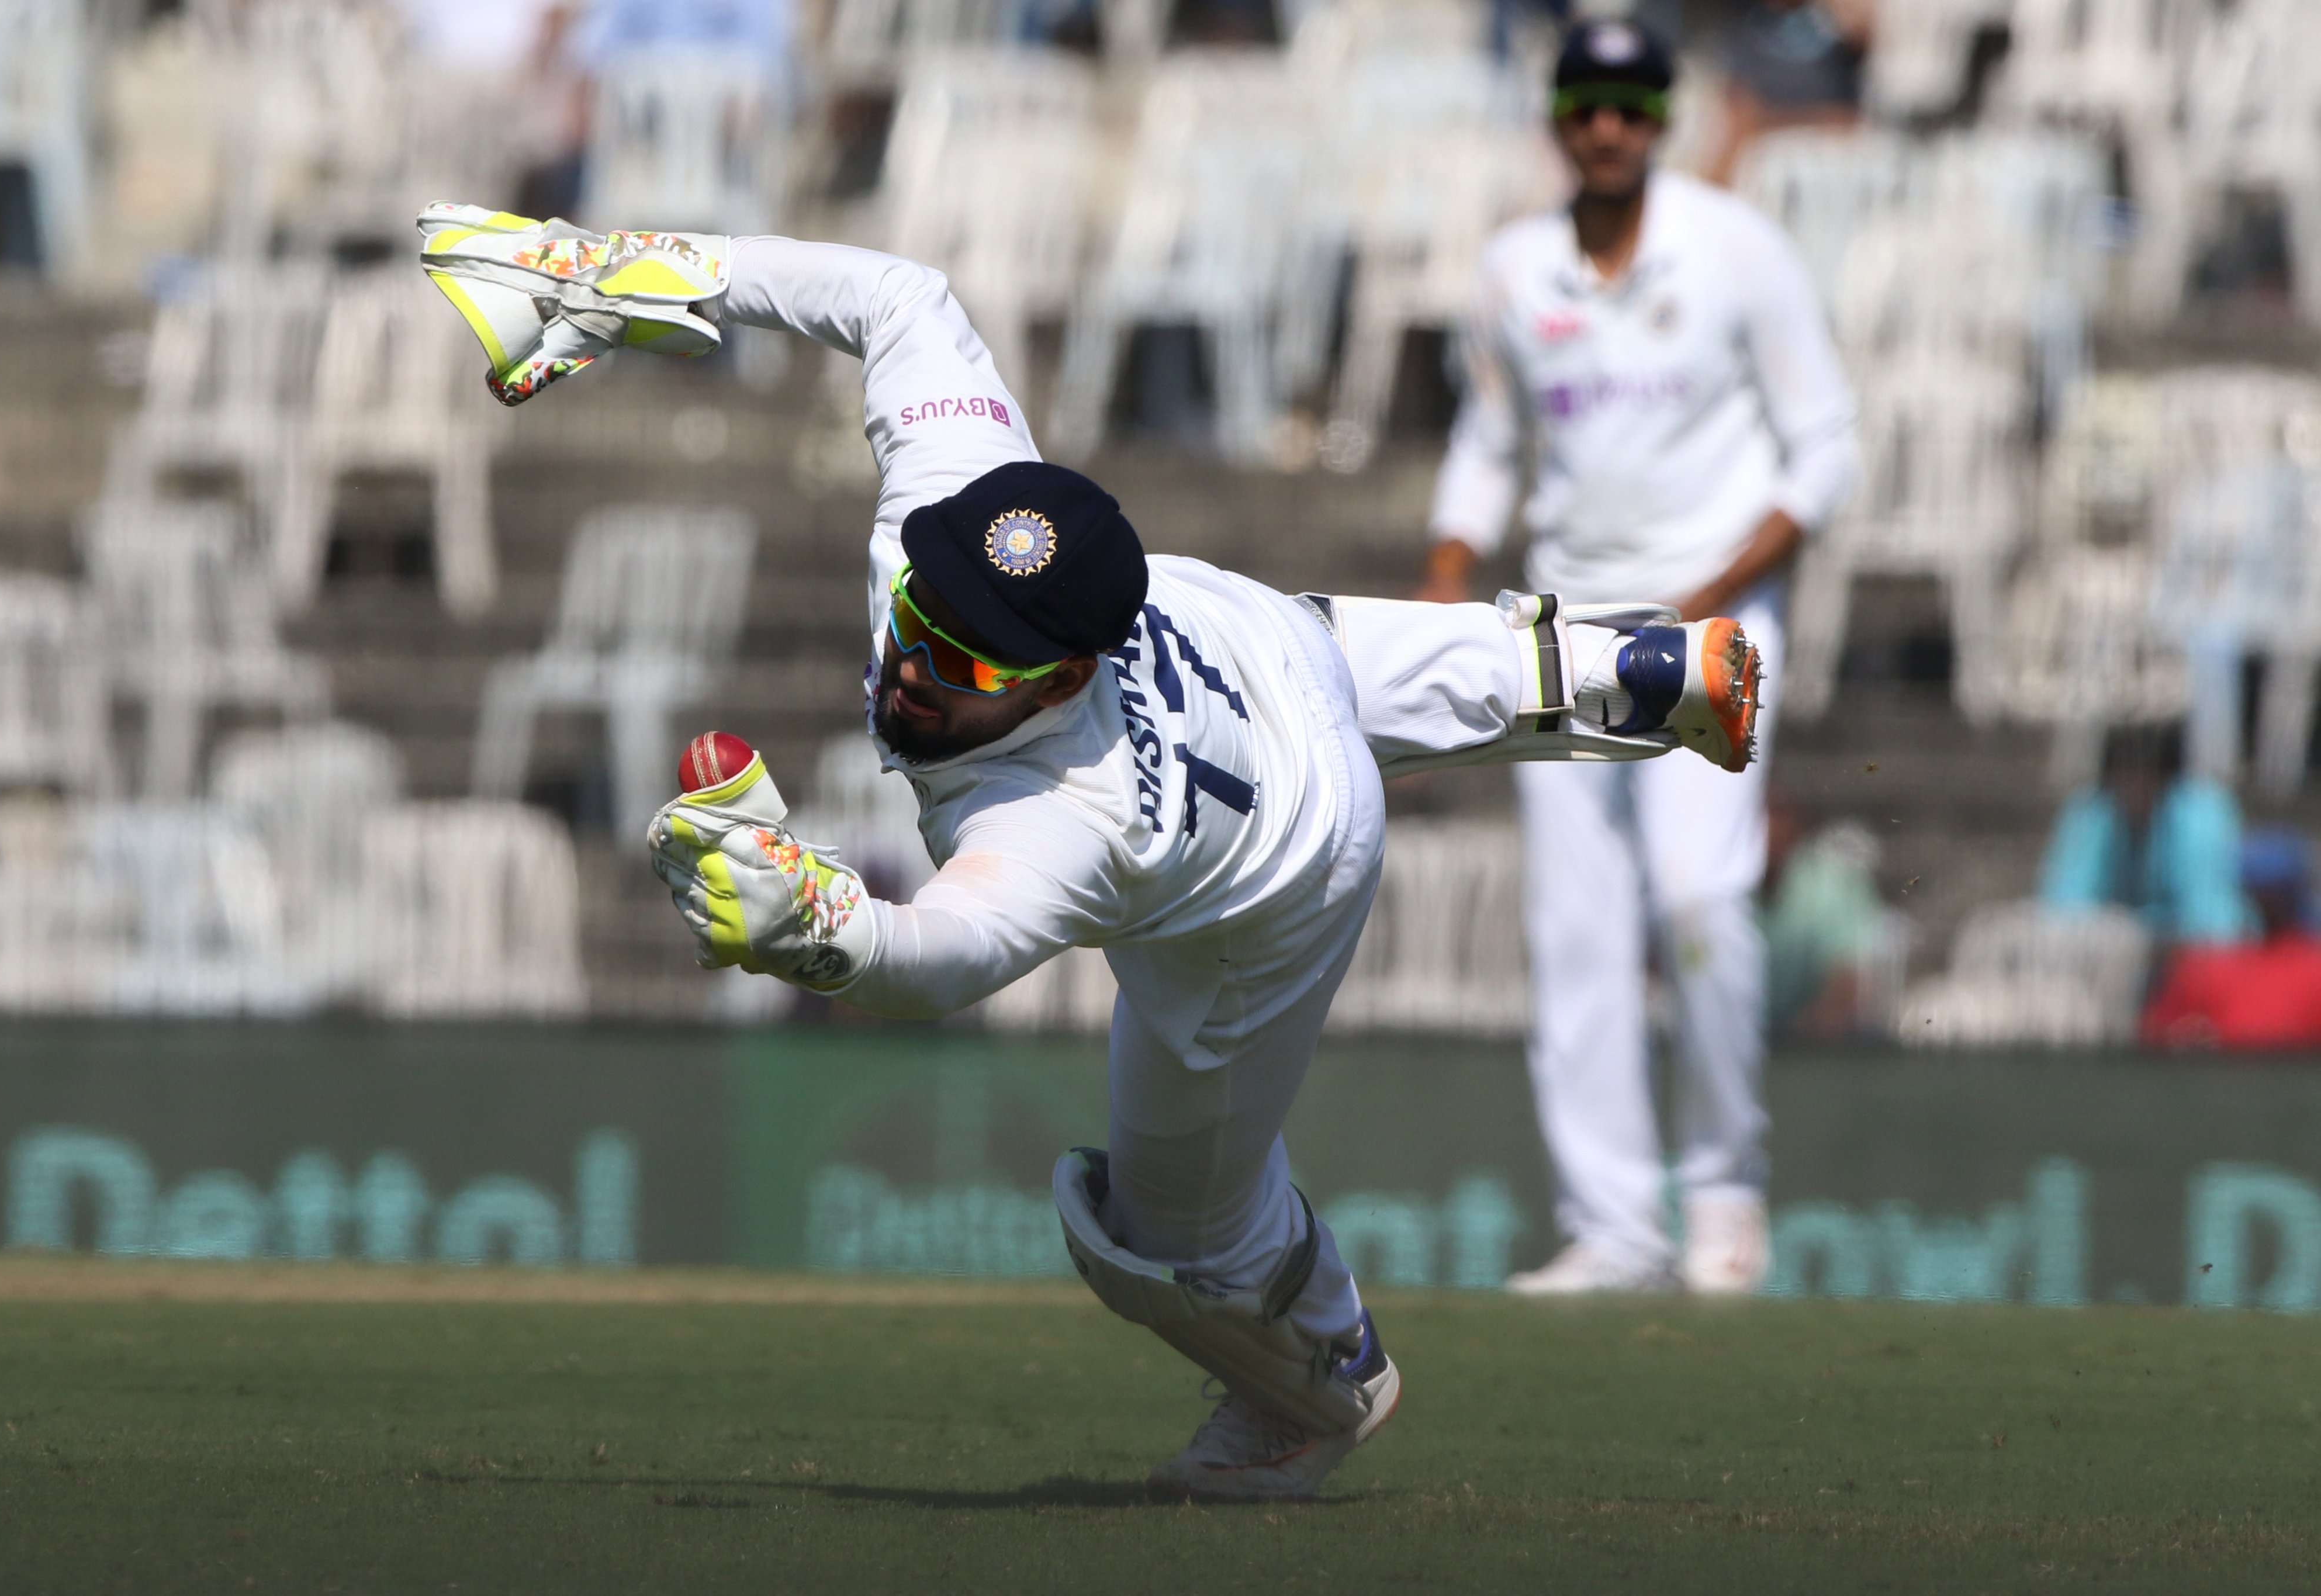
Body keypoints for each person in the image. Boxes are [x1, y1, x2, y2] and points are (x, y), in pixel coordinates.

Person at [414, 202, 1760, 1498]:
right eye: (924, 610)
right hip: (1248, 634)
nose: (913, 660)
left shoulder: (1068, 814)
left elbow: (946, 956)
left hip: (1280, 873)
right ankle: (1631, 669)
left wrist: (822, 926)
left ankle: (1325, 1376)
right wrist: (620, 267)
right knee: (1336, 648)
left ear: (1055, 685)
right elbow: (899, 297)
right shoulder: (953, 513)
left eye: (963, 658)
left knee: (1154, 1233)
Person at [1419, 18, 1857, 1296]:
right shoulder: (1510, 270)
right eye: (1583, 103)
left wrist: (1713, 586)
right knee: (1574, 930)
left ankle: (1723, 1197)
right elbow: (1487, 445)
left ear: (1661, 118)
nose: (1605, 125)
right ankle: (1613, 1227)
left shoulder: (1733, 250)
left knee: (1696, 898)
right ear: (1555, 118)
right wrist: (1446, 573)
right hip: (1559, 629)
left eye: (1628, 103)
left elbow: (1822, 449)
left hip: (1712, 625)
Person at [2039, 724, 2252, 948]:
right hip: (2113, 952)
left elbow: (2215, 921)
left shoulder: (2203, 813)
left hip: (2188, 955)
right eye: (2124, 772)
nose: (2135, 784)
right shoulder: (2089, 811)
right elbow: (2061, 907)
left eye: (2147, 772)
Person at [2142, 829, 2321, 1051]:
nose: (2266, 898)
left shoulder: (2312, 965)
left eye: (2274, 891)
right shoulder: (2205, 969)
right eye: (2260, 890)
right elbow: (2157, 1036)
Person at [1760, 797, 1900, 1041]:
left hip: (1814, 1049)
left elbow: (1848, 987)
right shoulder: (1710, 890)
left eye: (1776, 815)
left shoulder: (1834, 886)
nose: (1765, 829)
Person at [1708, 0, 1874, 184]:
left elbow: (1866, 34)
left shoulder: (1834, 17)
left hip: (1831, 136)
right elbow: (1739, 108)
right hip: (1764, 135)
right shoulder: (1749, 24)